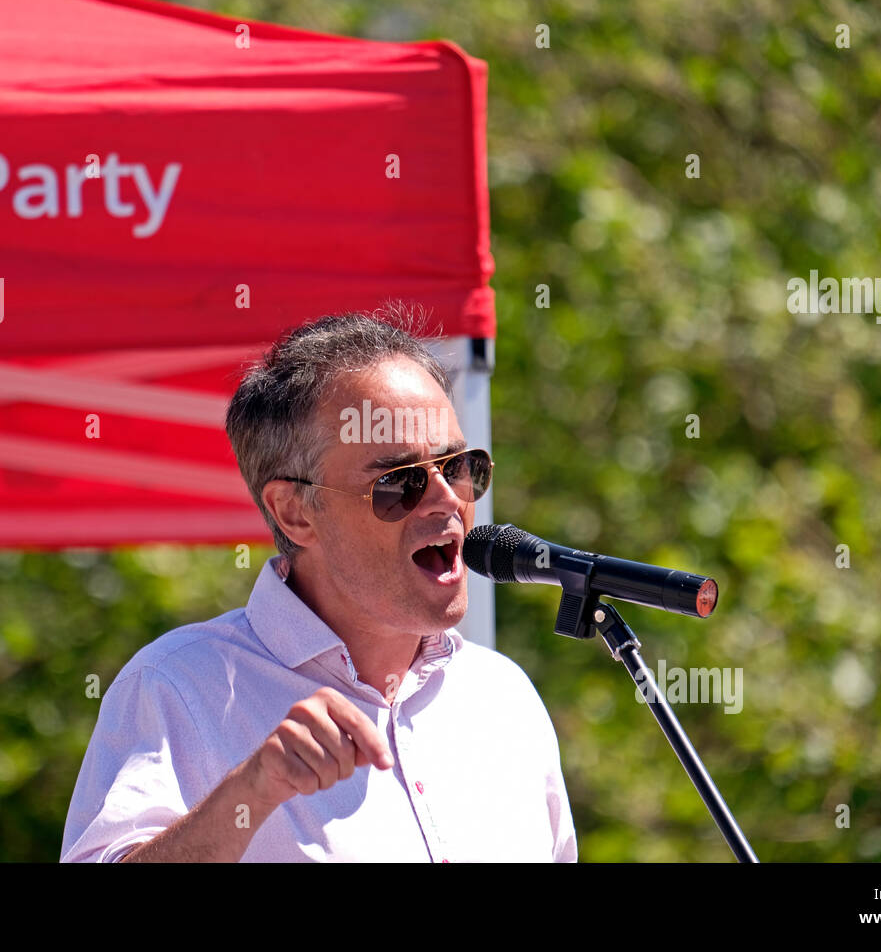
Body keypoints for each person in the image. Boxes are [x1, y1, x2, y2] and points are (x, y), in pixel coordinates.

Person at [60, 310, 576, 862]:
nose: (448, 498)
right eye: (399, 482)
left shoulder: (504, 696)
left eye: (458, 466)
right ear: (295, 512)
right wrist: (253, 791)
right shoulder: (176, 686)